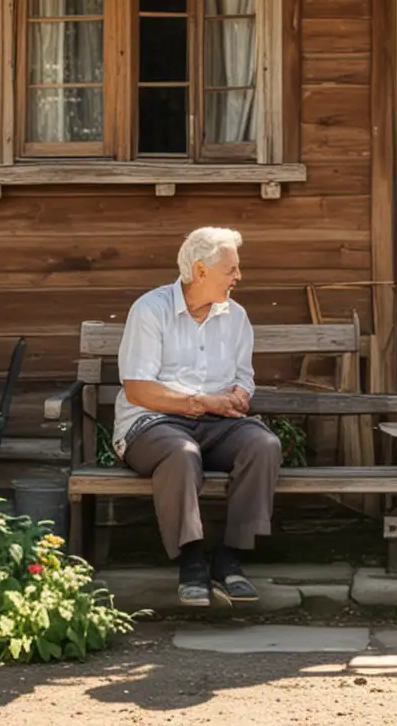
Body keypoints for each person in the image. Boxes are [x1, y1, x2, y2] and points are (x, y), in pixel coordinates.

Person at [114, 226, 280, 605]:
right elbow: (139, 389)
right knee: (182, 454)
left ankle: (229, 560)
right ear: (201, 271)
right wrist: (204, 401)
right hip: (151, 423)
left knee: (263, 446)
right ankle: (191, 562)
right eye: (232, 269)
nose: (239, 277)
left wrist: (238, 396)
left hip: (217, 424)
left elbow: (244, 379)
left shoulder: (235, 317)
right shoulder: (151, 310)